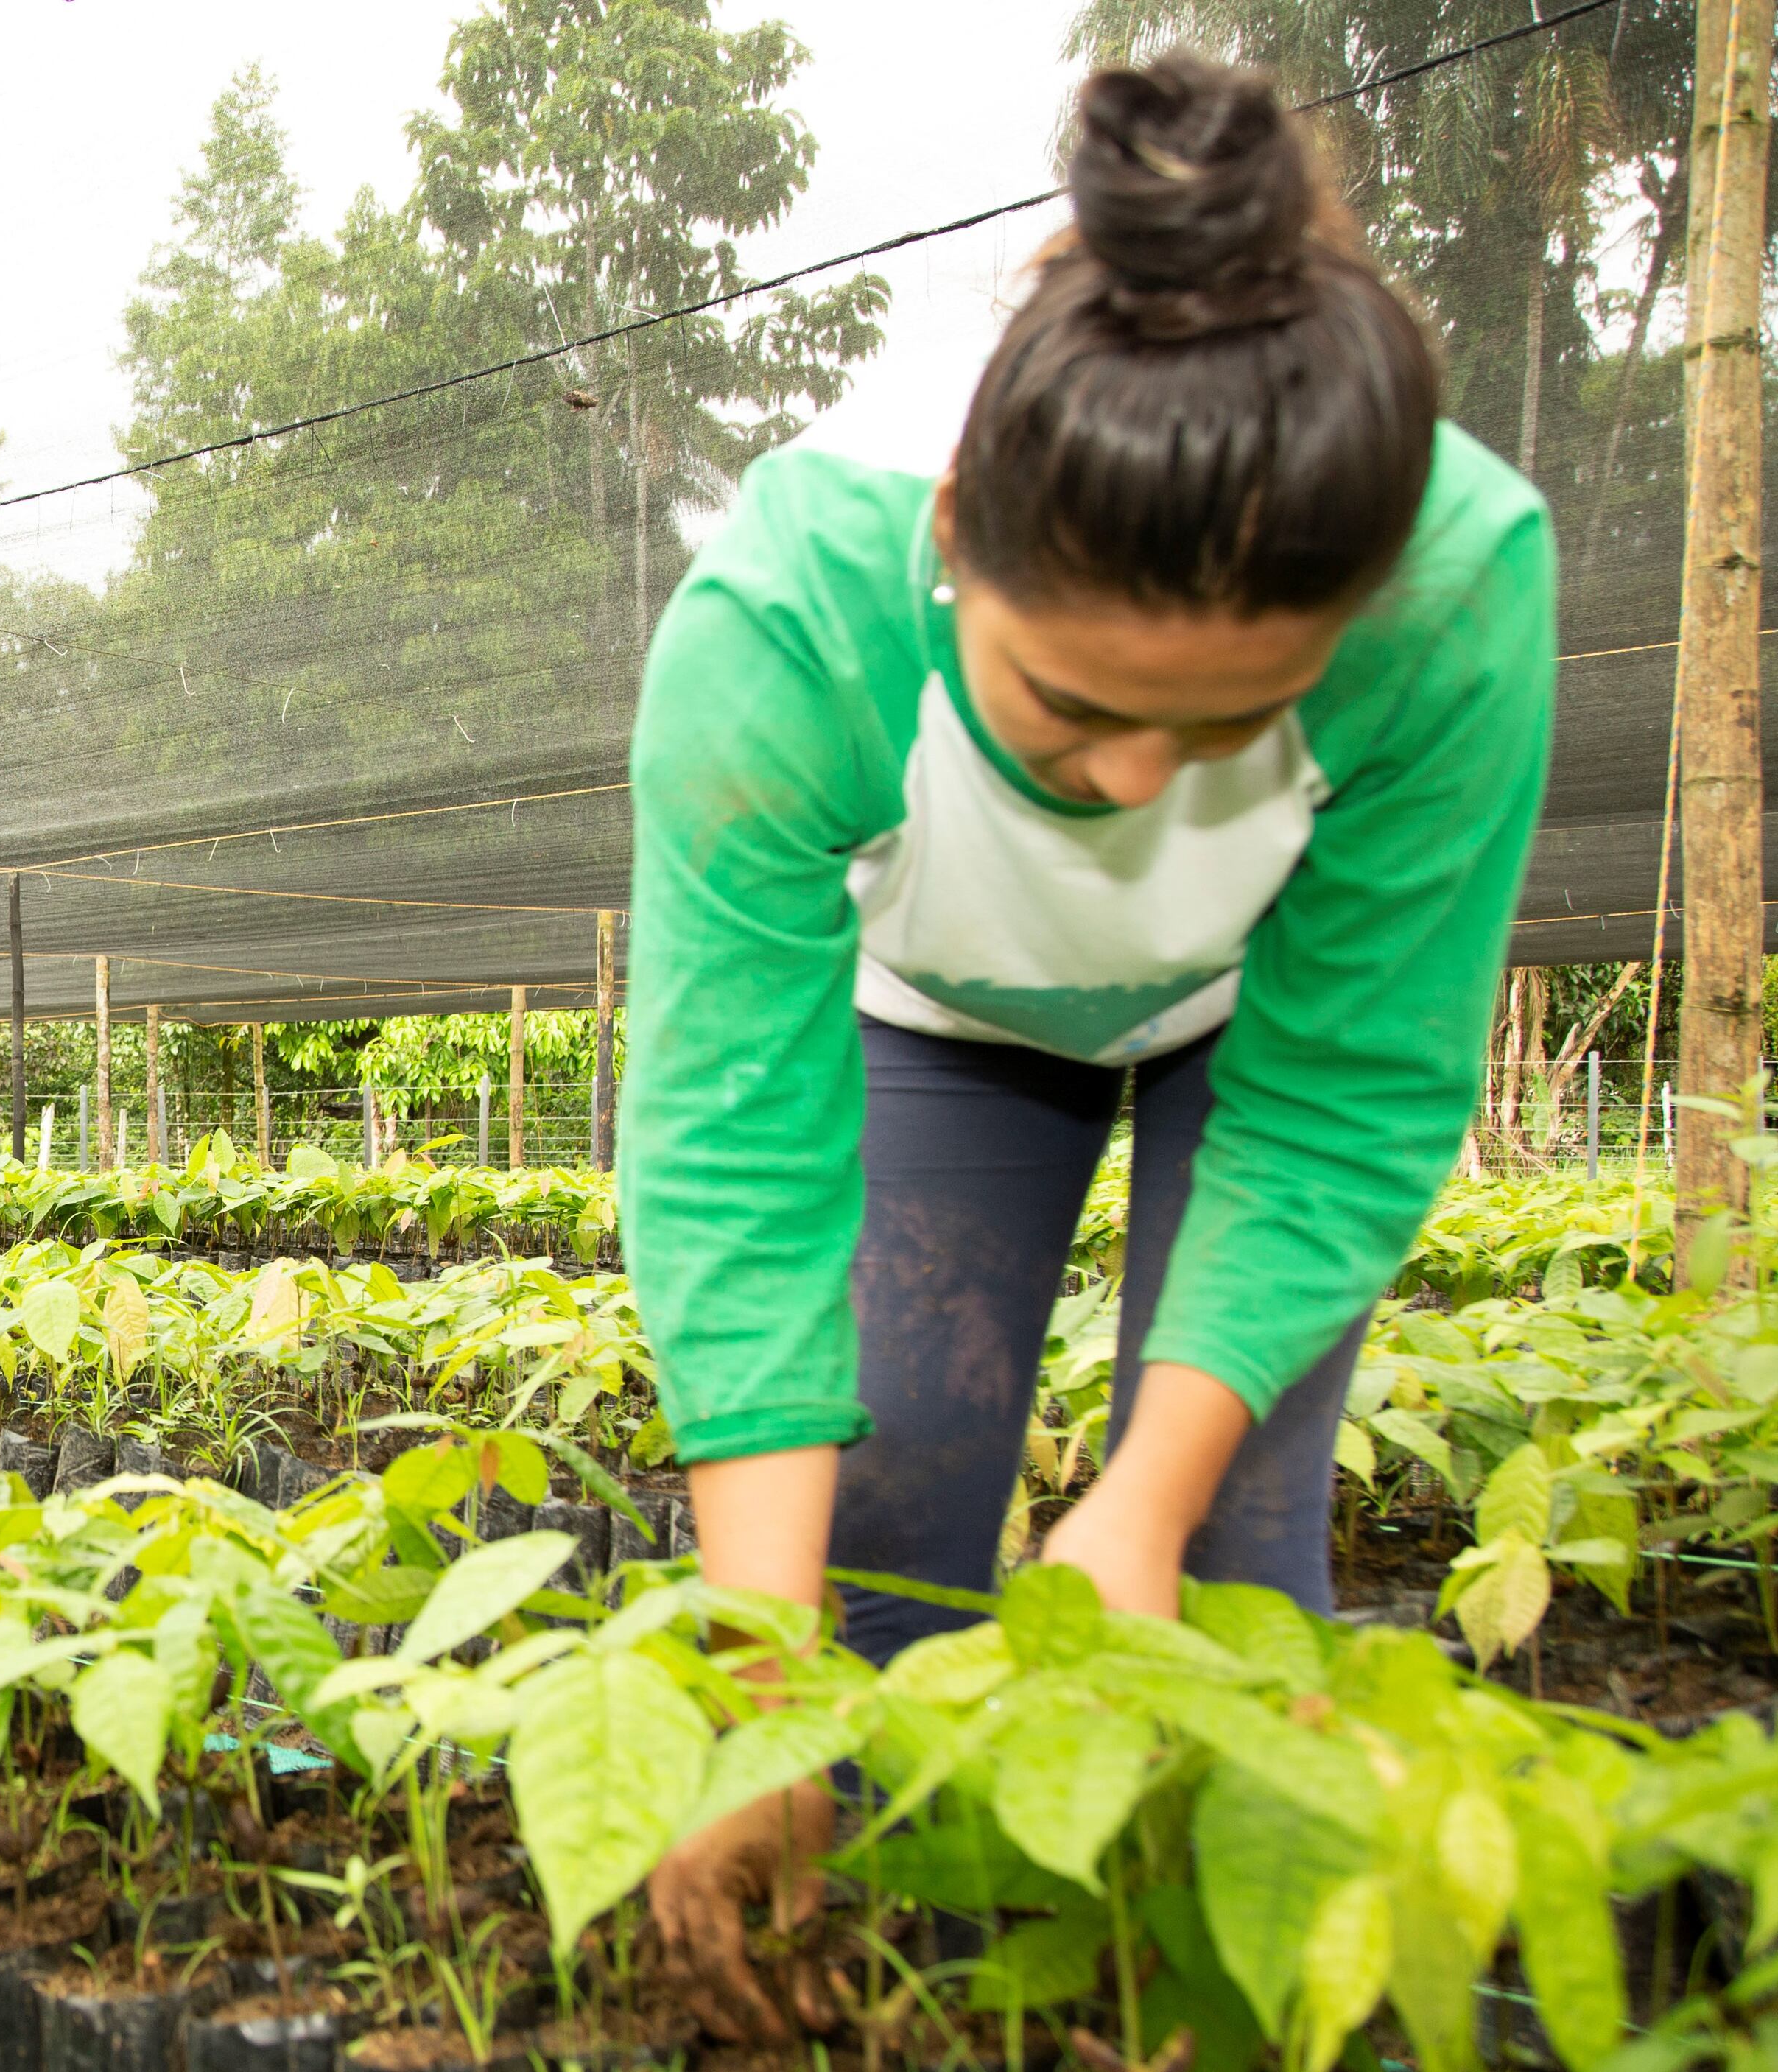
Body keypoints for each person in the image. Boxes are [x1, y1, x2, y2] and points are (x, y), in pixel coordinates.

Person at [619, 55, 1553, 2040]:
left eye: (1225, 727)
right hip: (942, 1011)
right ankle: (891, 1998)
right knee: (878, 1529)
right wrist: (757, 1685)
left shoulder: (1454, 585)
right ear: (961, 532)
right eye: (1071, 707)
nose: (1138, 782)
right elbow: (734, 1156)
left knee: (1222, 1561)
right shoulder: (797, 613)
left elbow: (1348, 1089)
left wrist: (1135, 1497)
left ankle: (1199, 2007)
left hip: (1252, 1030)